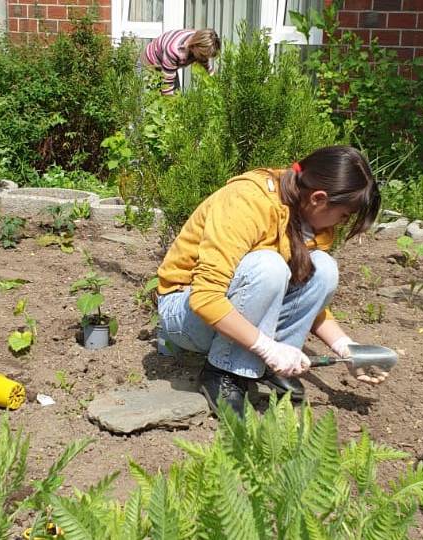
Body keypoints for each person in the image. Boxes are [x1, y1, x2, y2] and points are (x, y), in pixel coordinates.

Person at [154, 146, 385, 416]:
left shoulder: (303, 211)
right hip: (184, 315)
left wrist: (346, 347)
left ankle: (264, 367)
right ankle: (223, 372)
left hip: (225, 308)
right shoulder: (247, 202)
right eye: (344, 215)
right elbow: (205, 298)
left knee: (324, 269)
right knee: (268, 266)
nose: (342, 224)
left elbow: (303, 295)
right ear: (319, 198)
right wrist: (267, 348)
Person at [140, 28, 221, 95]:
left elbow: (204, 61)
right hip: (150, 64)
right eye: (203, 55)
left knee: (176, 94)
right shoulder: (174, 50)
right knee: (148, 102)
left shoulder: (199, 40)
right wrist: (170, 107)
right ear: (195, 45)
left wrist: (212, 77)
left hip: (167, 64)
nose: (204, 58)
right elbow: (167, 86)